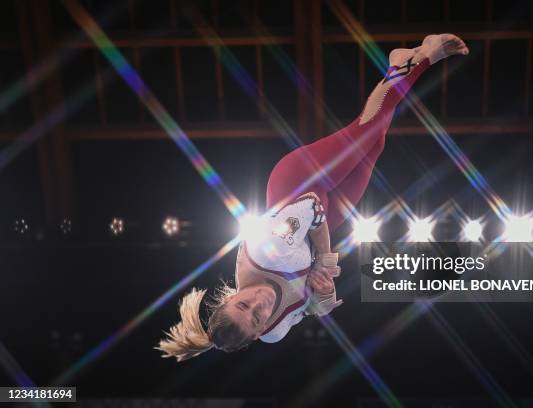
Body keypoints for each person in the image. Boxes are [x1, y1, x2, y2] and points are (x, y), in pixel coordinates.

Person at [157, 34, 469, 361]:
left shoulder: (269, 250)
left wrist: (324, 260)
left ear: (228, 299)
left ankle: (422, 58)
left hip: (296, 184)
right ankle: (397, 64)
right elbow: (314, 309)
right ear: (260, 333)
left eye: (244, 305)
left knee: (366, 129)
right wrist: (324, 292)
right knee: (376, 142)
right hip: (322, 222)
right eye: (257, 318)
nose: (259, 306)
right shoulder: (275, 332)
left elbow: (312, 207)